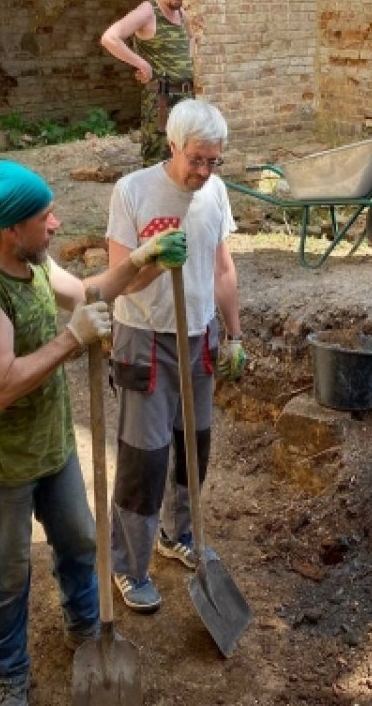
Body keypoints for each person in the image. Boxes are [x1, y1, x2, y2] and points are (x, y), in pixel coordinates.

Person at [0, 160, 187, 706]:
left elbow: (92, 291)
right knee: (8, 574)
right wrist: (72, 340)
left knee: (79, 541)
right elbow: (1, 386)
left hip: (53, 447)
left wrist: (142, 261)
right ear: (9, 229)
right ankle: (11, 676)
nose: (56, 225)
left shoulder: (36, 264)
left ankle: (84, 628)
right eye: (45, 217)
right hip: (3, 461)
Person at [104, 99, 246, 614]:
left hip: (199, 336)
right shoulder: (133, 191)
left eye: (214, 161)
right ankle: (127, 565)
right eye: (196, 160)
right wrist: (151, 260)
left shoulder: (216, 192)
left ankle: (178, 534)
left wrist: (234, 333)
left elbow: (223, 268)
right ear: (172, 146)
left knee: (194, 446)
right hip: (144, 338)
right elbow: (118, 279)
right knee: (145, 458)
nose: (205, 171)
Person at [101, 0, 196, 165]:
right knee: (158, 162)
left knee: (185, 158)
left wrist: (187, 63)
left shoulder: (182, 15)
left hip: (187, 98)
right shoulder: (148, 11)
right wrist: (141, 64)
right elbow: (110, 38)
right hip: (161, 101)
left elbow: (191, 38)